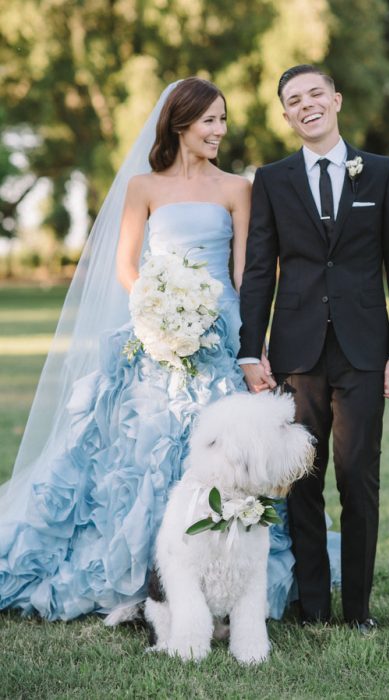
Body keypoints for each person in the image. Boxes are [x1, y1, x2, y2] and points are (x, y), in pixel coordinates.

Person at [0, 77, 304, 620]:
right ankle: (140, 577)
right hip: (154, 336)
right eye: (210, 120)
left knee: (218, 458)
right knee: (139, 456)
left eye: (223, 119)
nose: (220, 131)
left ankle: (217, 579)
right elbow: (124, 264)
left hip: (219, 334)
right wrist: (156, 312)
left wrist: (251, 341)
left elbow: (244, 274)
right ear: (180, 124)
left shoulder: (238, 188)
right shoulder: (143, 187)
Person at [238, 65, 389, 633]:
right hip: (297, 351)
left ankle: (359, 609)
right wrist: (251, 351)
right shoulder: (271, 179)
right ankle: (314, 605)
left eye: (315, 93)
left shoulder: (383, 174)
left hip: (367, 351)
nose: (306, 104)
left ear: (336, 100)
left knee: (358, 474)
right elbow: (260, 270)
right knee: (303, 478)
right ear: (286, 115)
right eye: (294, 99)